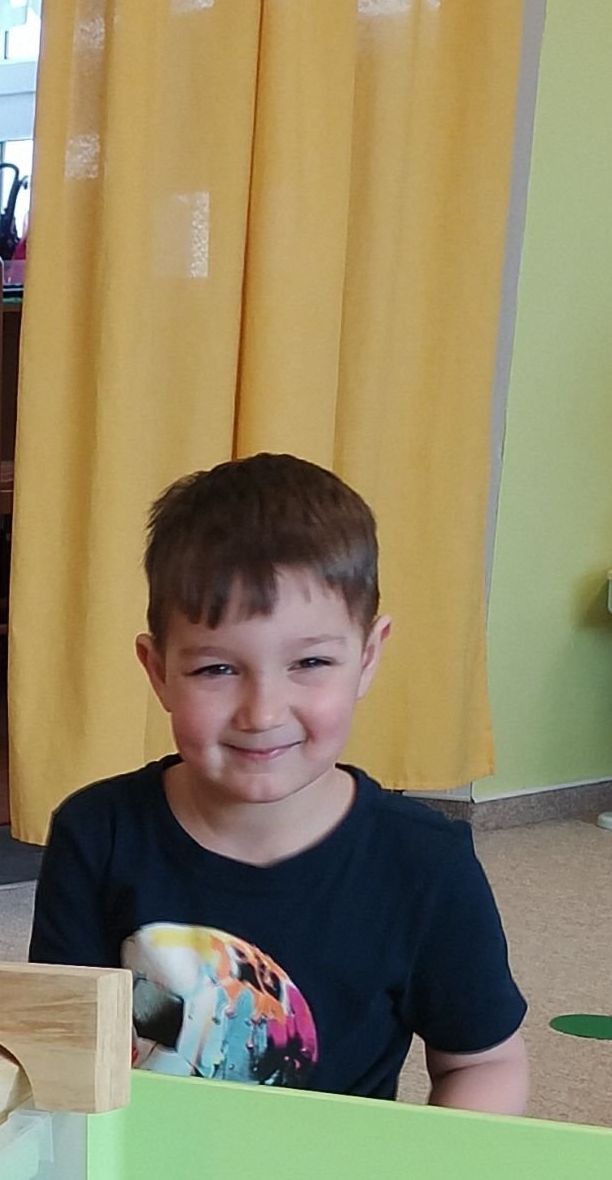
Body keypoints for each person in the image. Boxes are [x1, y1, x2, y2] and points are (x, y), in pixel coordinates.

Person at [28, 454, 529, 1110]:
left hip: (335, 1174)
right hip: (136, 1163)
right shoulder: (97, 834)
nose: (262, 713)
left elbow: (484, 1063)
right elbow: (59, 1048)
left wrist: (429, 1170)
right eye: (216, 670)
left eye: (310, 662)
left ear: (367, 658)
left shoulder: (426, 865)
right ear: (158, 671)